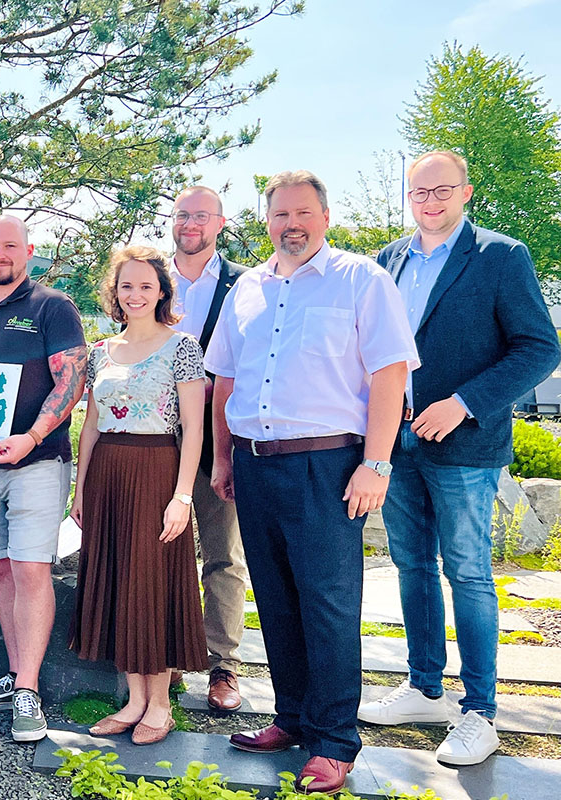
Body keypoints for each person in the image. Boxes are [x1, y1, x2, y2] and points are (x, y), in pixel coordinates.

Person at [206, 171, 417, 794]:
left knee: (327, 605)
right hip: (254, 462)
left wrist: (375, 464)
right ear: (265, 220)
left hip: (327, 466)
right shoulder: (246, 287)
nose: (290, 224)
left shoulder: (361, 280)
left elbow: (391, 372)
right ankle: (292, 718)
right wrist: (223, 459)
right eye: (279, 214)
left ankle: (333, 741)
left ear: (325, 216)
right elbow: (224, 379)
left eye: (302, 212)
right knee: (274, 600)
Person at [358, 150, 560, 766]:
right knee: (413, 566)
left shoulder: (502, 256)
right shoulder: (385, 261)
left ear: (466, 192)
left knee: (467, 573)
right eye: (419, 192)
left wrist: (465, 403)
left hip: (465, 446)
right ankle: (423, 687)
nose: (430, 201)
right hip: (397, 445)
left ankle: (480, 712)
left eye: (442, 190)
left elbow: (538, 348)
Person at [0, 214, 87, 742]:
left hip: (38, 461)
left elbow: (71, 382)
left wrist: (30, 436)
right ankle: (13, 675)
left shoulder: (53, 307)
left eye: (10, 246)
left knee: (31, 571)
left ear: (28, 251)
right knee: (1, 570)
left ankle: (28, 691)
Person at [69, 246, 208, 745]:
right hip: (107, 475)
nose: (135, 295)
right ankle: (133, 700)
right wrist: (80, 490)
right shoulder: (101, 351)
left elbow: (194, 429)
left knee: (151, 583)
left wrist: (183, 496)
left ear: (163, 291)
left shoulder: (183, 347)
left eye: (146, 286)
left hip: (157, 473)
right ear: (115, 291)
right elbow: (90, 426)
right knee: (118, 581)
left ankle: (161, 704)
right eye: (126, 285)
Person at [167, 186, 249, 711]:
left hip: (220, 435)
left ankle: (223, 666)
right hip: (158, 437)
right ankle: (167, 655)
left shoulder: (248, 284)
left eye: (201, 216)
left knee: (223, 556)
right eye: (182, 215)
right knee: (162, 550)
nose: (190, 223)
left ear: (220, 223)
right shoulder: (150, 279)